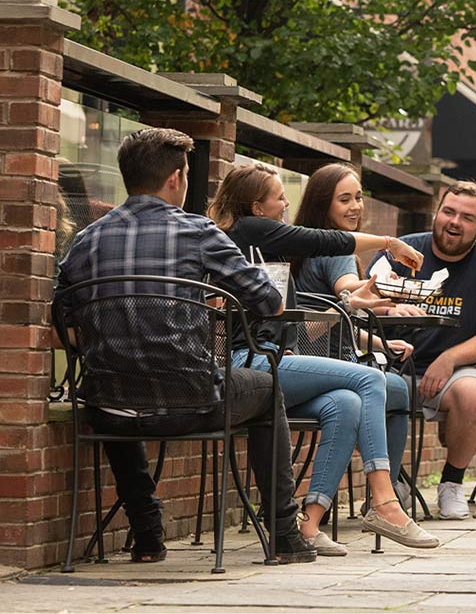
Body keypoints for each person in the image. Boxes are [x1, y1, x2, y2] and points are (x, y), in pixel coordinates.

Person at [55, 129, 316, 565]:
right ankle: (286, 534)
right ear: (175, 178)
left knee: (120, 384)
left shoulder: (87, 239)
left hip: (108, 407)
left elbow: (62, 315)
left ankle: (146, 533)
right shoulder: (199, 232)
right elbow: (270, 302)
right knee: (268, 389)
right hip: (192, 403)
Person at [208, 163, 438, 553]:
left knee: (345, 403)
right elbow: (324, 241)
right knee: (371, 379)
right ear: (257, 207)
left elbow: (290, 317)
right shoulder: (248, 229)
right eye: (280, 197)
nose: (286, 204)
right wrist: (388, 242)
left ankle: (310, 523)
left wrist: (348, 303)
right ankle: (384, 501)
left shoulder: (263, 247)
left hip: (275, 360)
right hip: (251, 362)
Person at [367, 180, 476, 520]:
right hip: (389, 363)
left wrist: (449, 359)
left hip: (454, 369)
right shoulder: (401, 252)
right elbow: (361, 305)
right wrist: (389, 309)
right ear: (437, 213)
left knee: (475, 395)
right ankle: (393, 484)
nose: (454, 222)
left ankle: (451, 483)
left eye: (466, 217)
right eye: (448, 212)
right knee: (362, 391)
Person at [291, 162, 417, 501]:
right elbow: (345, 293)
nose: (355, 207)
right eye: (344, 199)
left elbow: (332, 322)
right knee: (399, 390)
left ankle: (382, 489)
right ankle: (388, 490)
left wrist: (381, 342)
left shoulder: (302, 245)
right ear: (323, 204)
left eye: (359, 198)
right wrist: (380, 295)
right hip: (329, 365)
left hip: (299, 362)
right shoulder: (339, 248)